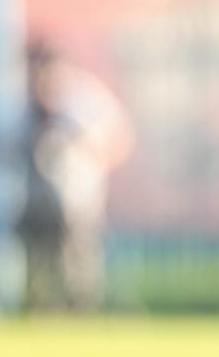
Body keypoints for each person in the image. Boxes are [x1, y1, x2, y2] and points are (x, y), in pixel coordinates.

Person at [14, 41, 134, 311]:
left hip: (78, 200)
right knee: (40, 262)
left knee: (78, 263)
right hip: (37, 201)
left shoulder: (84, 99)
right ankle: (43, 310)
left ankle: (79, 312)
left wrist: (86, 148)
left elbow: (118, 140)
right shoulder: (24, 104)